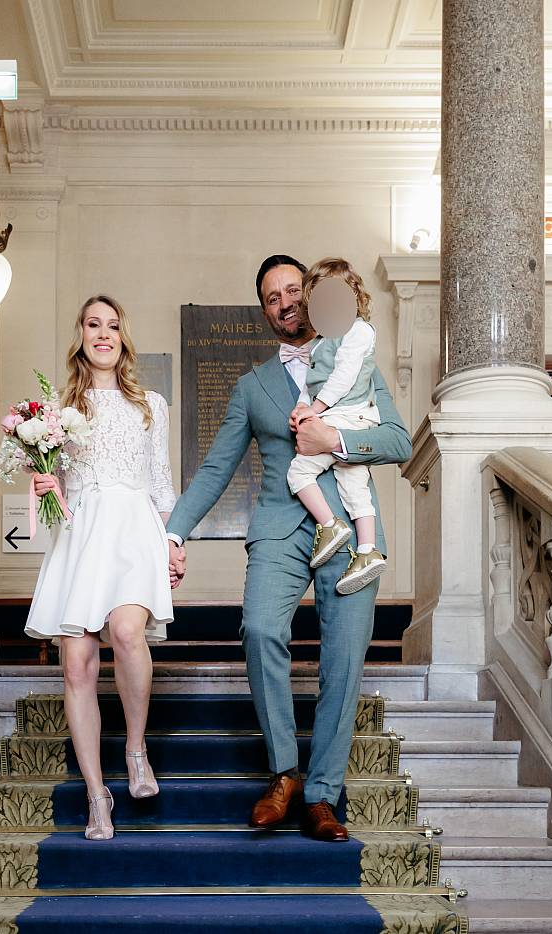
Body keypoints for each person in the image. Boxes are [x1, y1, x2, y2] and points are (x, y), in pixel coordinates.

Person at [166, 255, 411, 842]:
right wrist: (172, 532)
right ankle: (284, 774)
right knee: (258, 629)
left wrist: (339, 440)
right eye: (272, 297)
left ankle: (323, 794)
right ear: (266, 311)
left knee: (345, 657)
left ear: (313, 293)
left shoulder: (357, 358)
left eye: (293, 289)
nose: (285, 302)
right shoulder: (252, 387)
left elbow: (399, 440)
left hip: (350, 526)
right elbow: (215, 468)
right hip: (280, 524)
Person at [24, 294, 179, 841]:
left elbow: (161, 481)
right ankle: (97, 795)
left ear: (123, 336)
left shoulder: (150, 405)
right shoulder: (58, 412)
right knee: (77, 666)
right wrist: (44, 483)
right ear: (81, 335)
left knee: (127, 631)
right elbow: (55, 494)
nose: (104, 334)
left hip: (135, 528)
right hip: (82, 534)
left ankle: (136, 749)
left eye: (113, 325)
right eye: (94, 325)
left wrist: (172, 542)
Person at [285, 258, 386, 595]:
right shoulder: (322, 342)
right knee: (354, 486)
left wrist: (314, 410)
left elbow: (343, 376)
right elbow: (312, 382)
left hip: (348, 415)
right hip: (344, 417)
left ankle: (329, 525)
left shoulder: (359, 331)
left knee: (298, 473)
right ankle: (368, 551)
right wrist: (302, 406)